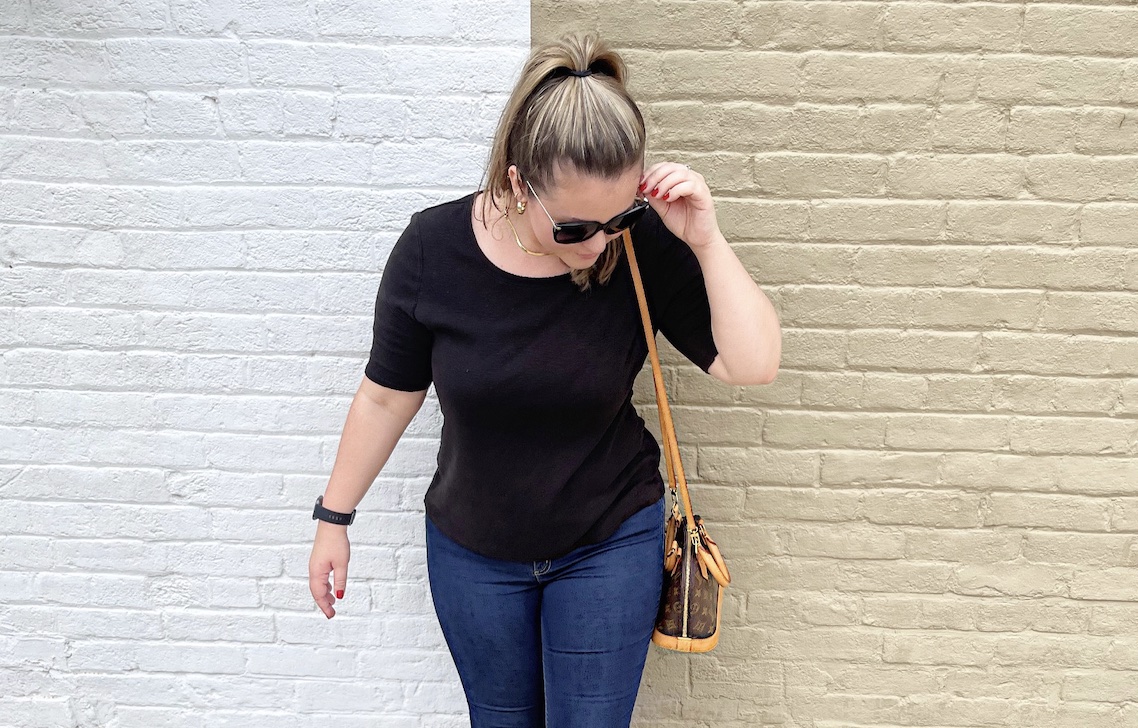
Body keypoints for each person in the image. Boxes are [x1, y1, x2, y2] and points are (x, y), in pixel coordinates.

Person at [308, 31, 781, 728]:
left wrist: (704, 239)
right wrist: (333, 519)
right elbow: (385, 395)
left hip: (609, 541)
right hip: (474, 554)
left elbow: (752, 364)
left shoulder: (638, 247)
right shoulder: (431, 252)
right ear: (517, 182)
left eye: (618, 219)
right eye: (575, 228)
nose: (599, 245)